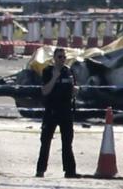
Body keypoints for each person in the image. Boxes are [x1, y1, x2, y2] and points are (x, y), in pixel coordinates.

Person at [36, 48, 79, 178]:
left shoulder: (68, 71)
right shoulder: (48, 71)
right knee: (45, 141)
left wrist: (75, 91)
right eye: (60, 57)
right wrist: (54, 77)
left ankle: (70, 171)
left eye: (64, 57)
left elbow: (73, 90)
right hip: (51, 110)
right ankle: (40, 170)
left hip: (66, 111)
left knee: (67, 142)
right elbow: (45, 91)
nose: (62, 59)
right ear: (54, 58)